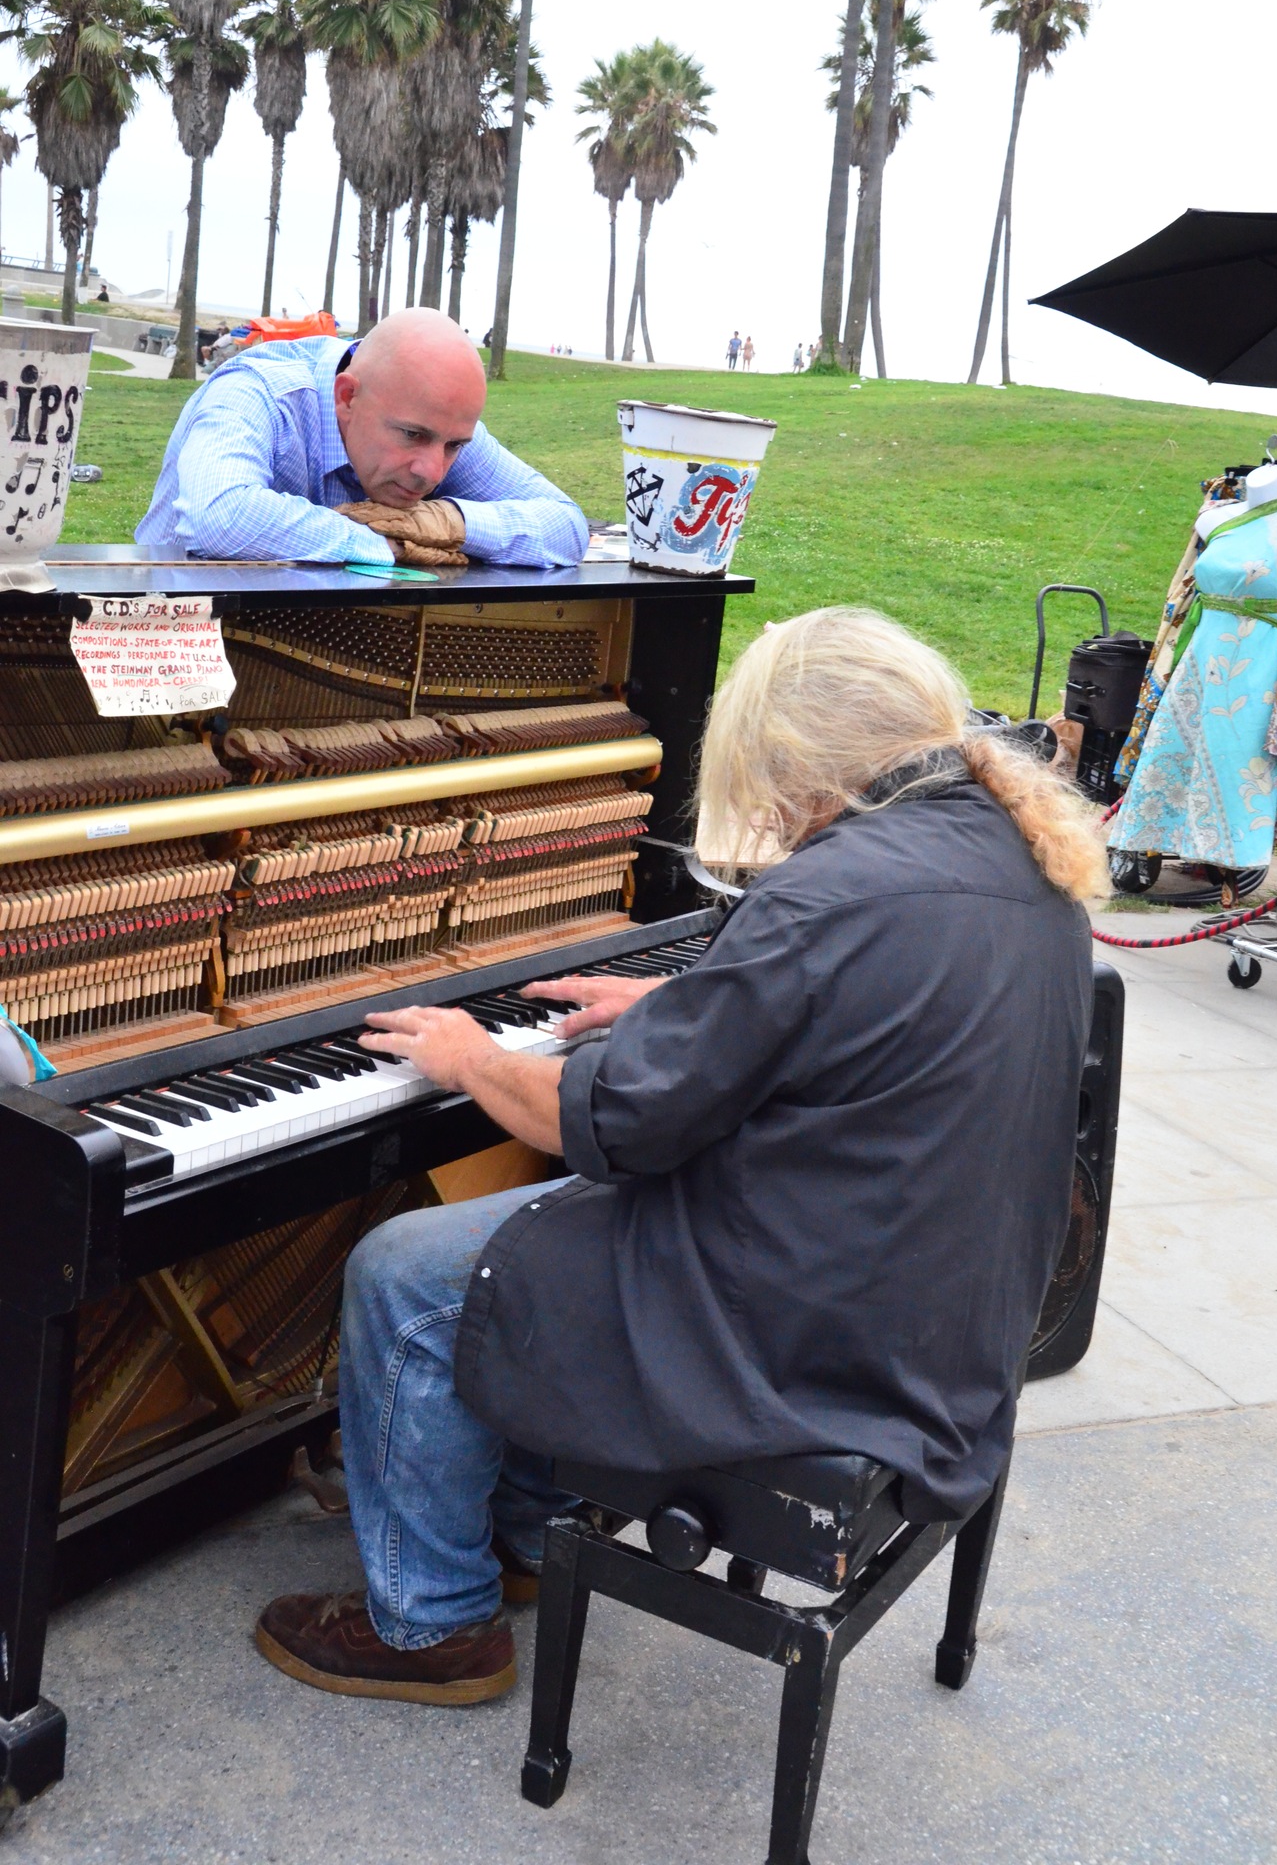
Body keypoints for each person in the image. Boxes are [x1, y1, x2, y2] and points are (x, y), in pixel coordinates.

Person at [253, 606, 1105, 1708]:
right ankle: (521, 1529)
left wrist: (472, 1056)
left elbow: (618, 1122)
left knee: (406, 1271)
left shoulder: (833, 891)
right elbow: (857, 1020)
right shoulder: (1012, 846)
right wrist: (688, 1003)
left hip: (810, 1335)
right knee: (544, 1238)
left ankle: (432, 1622)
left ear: (801, 759)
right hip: (927, 1300)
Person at [137, 307, 589, 567]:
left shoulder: (436, 419)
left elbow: (567, 526)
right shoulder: (258, 391)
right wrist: (381, 544)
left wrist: (447, 524)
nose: (431, 472)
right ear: (347, 397)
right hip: (163, 647)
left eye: (454, 446)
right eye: (412, 435)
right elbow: (219, 516)